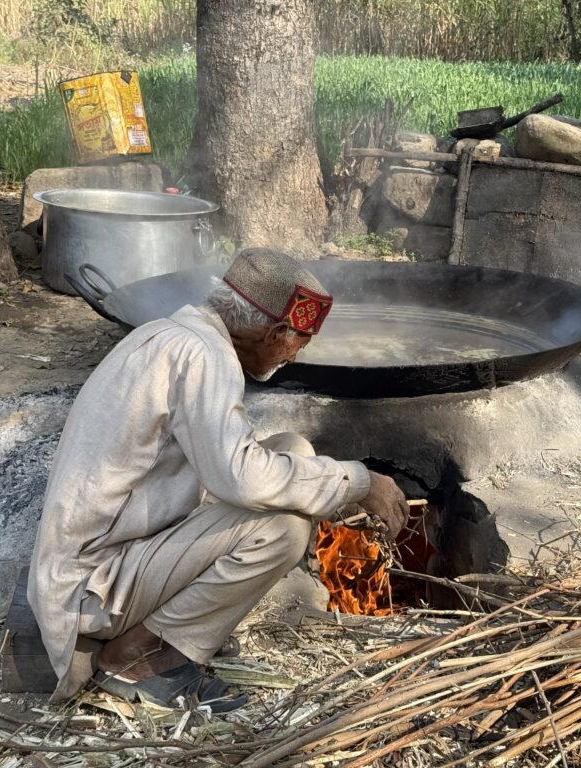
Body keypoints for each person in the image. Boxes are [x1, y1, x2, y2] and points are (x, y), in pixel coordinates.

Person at [28, 248, 409, 710]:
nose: (293, 357)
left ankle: (168, 628)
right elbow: (242, 480)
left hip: (114, 555)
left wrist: (326, 485)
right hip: (91, 588)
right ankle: (138, 658)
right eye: (298, 343)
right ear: (274, 332)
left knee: (294, 449)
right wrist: (360, 481)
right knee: (283, 530)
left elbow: (228, 467)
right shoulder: (205, 357)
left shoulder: (176, 333)